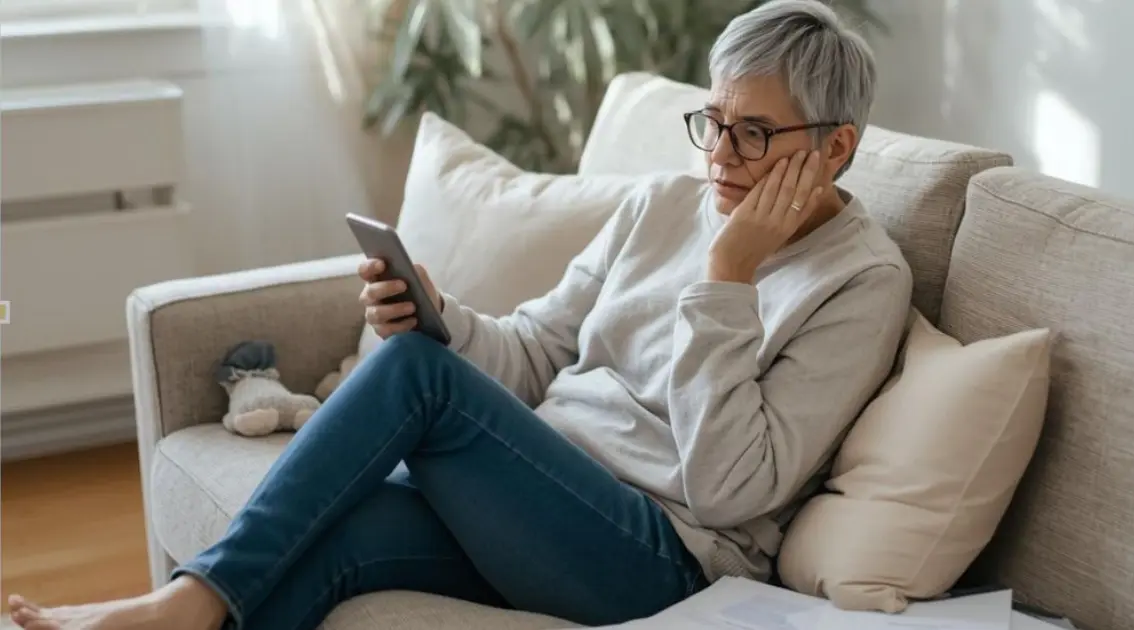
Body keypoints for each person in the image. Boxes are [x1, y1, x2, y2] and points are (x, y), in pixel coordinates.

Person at [9, 1, 912, 628]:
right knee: (323, 546)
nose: (719, 155)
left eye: (752, 133)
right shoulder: (663, 204)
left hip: (662, 558)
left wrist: (726, 278)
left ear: (835, 147)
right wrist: (442, 316)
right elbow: (534, 352)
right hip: (535, 490)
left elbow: (728, 490)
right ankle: (197, 604)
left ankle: (178, 605)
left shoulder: (861, 282)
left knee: (410, 375)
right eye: (712, 121)